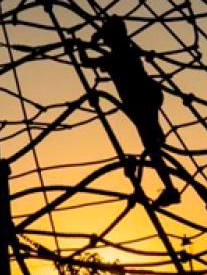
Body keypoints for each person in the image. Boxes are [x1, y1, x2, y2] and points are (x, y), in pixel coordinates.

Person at [75, 17, 181, 206]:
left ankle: (170, 189)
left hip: (140, 99)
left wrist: (79, 45)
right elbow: (108, 46)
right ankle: (168, 185)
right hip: (148, 94)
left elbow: (86, 62)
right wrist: (96, 38)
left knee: (151, 145)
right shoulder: (127, 51)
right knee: (152, 142)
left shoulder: (115, 57)